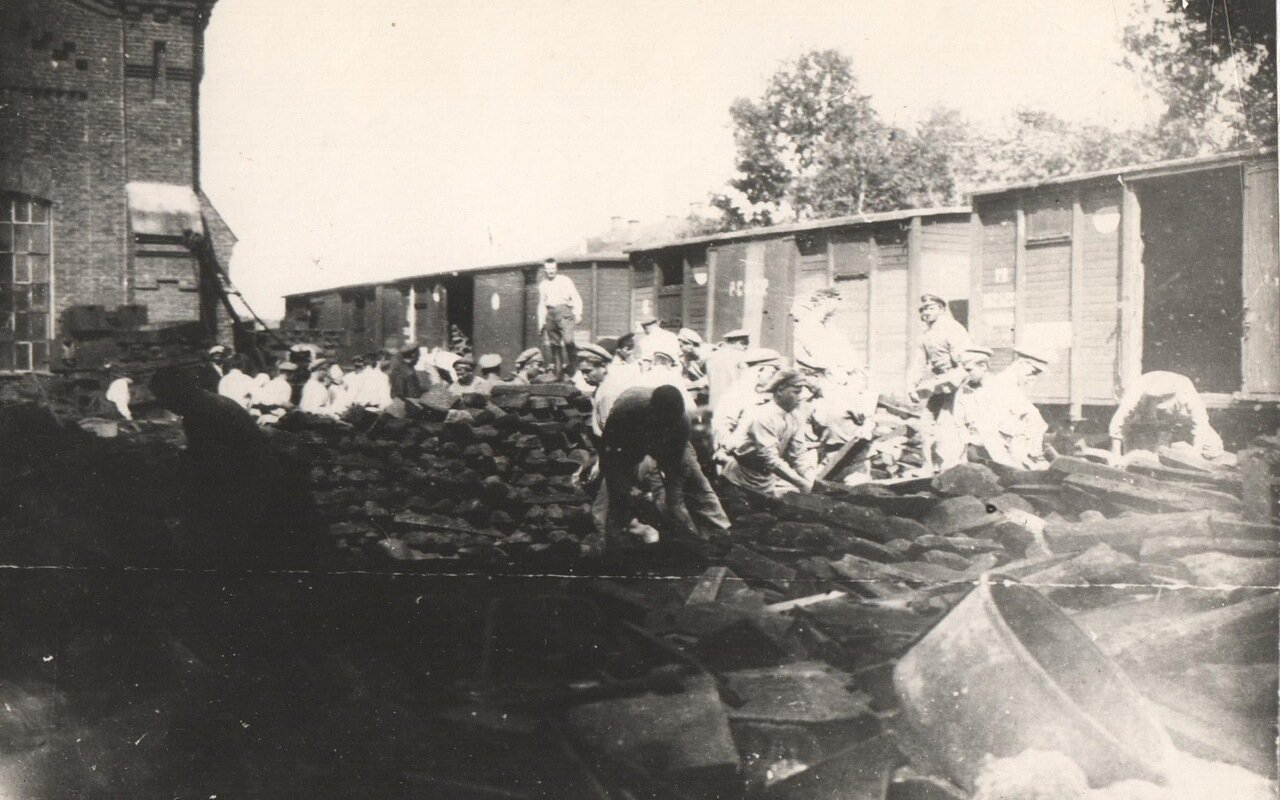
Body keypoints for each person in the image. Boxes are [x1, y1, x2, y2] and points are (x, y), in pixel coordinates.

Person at [149, 366, 315, 565]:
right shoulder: (209, 403)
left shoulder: (200, 411)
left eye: (163, 397)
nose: (164, 404)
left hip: (247, 483)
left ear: (176, 391)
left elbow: (211, 461)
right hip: (253, 478)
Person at [721, 369, 814, 497]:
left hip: (765, 481)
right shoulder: (762, 415)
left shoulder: (795, 417)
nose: (801, 397)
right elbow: (770, 459)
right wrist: (802, 484)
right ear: (780, 390)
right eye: (796, 392)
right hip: (739, 481)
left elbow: (798, 455)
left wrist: (811, 479)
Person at [908, 294, 973, 472]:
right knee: (925, 425)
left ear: (942, 309)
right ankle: (928, 467)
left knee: (949, 428)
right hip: (939, 386)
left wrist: (947, 382)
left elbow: (965, 364)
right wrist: (911, 386)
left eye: (931, 308)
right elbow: (918, 363)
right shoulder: (925, 335)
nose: (926, 312)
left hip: (957, 386)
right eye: (924, 309)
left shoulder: (953, 329)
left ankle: (951, 469)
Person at [796, 353, 878, 482]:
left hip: (855, 462)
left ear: (816, 376)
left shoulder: (846, 395)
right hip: (829, 462)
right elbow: (809, 441)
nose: (803, 386)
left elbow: (870, 420)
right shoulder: (810, 404)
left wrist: (866, 430)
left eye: (805, 380)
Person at [1109, 371, 1224, 460]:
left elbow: (1201, 422)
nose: (1158, 404)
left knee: (1213, 447)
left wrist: (1196, 454)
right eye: (1155, 401)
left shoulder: (1185, 390)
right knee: (1138, 457)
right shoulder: (1137, 390)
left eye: (1161, 402)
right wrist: (1116, 455)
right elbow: (1118, 422)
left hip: (1178, 420)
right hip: (1145, 422)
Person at [987, 346, 1053, 470]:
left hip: (1013, 446)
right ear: (1021, 363)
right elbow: (1008, 428)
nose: (1034, 377)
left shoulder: (1013, 383)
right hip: (1004, 447)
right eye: (1033, 372)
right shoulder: (1004, 384)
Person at [711, 347, 782, 457]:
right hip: (733, 459)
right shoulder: (737, 392)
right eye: (772, 372)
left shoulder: (755, 392)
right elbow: (722, 429)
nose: (774, 378)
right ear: (760, 370)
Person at [791, 288, 857, 374]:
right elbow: (816, 354)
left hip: (830, 373)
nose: (837, 306)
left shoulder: (827, 325)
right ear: (823, 300)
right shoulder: (809, 323)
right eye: (837, 300)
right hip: (817, 375)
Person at [537, 258, 583, 380]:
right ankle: (558, 374)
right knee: (555, 345)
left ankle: (574, 370)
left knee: (568, 341)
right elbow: (542, 304)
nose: (550, 271)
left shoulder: (565, 281)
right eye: (548, 269)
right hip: (550, 314)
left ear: (556, 268)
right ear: (545, 269)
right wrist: (541, 322)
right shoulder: (543, 285)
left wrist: (578, 313)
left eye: (552, 268)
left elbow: (576, 296)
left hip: (564, 311)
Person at [704, 328, 750, 408]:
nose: (746, 347)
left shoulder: (711, 356)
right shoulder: (741, 357)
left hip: (714, 401)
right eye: (746, 343)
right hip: (733, 402)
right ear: (740, 342)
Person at [677, 328, 708, 402]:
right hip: (700, 393)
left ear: (690, 344)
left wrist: (688, 385)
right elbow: (685, 375)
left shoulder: (708, 356)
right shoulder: (687, 357)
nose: (680, 349)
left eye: (681, 346)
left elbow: (709, 379)